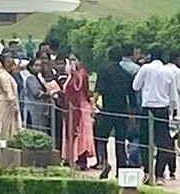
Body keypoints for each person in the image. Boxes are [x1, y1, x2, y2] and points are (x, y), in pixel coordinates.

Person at [132, 44, 178, 186]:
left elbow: (135, 86)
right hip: (162, 109)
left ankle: (147, 171)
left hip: (147, 108)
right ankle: (159, 175)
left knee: (145, 142)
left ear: (150, 56)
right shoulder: (168, 71)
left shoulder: (145, 69)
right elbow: (173, 95)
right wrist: (174, 109)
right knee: (163, 143)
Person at [95, 46, 136, 179]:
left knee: (101, 138)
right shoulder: (126, 75)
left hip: (107, 109)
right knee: (120, 141)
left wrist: (94, 105)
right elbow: (132, 97)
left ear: (109, 57)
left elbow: (98, 91)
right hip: (122, 111)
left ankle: (105, 161)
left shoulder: (103, 72)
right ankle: (121, 168)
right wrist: (132, 114)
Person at [63, 55, 97, 169]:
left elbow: (80, 88)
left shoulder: (81, 73)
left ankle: (81, 159)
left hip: (81, 107)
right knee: (70, 132)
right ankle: (69, 157)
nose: (72, 62)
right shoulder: (70, 75)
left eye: (74, 59)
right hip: (70, 108)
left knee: (82, 133)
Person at [0, 52, 23, 140]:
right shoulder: (4, 76)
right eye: (7, 62)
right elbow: (9, 93)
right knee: (3, 126)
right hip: (2, 103)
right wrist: (15, 107)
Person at [24, 59, 50, 131]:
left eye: (40, 65)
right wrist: (47, 94)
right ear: (31, 67)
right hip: (34, 106)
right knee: (36, 126)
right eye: (36, 65)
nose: (39, 68)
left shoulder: (39, 77)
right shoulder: (30, 78)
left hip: (41, 106)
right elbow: (35, 92)